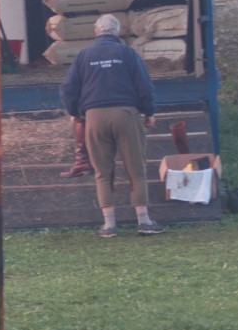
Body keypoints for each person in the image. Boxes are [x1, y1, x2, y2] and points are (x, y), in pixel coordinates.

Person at [59, 14, 165, 238]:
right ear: (116, 31)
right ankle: (144, 221)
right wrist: (149, 111)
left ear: (96, 31)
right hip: (126, 114)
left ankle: (109, 225)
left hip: (94, 117)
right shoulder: (127, 53)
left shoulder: (83, 56)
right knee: (136, 169)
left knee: (102, 172)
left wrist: (75, 113)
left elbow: (68, 89)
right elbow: (144, 85)